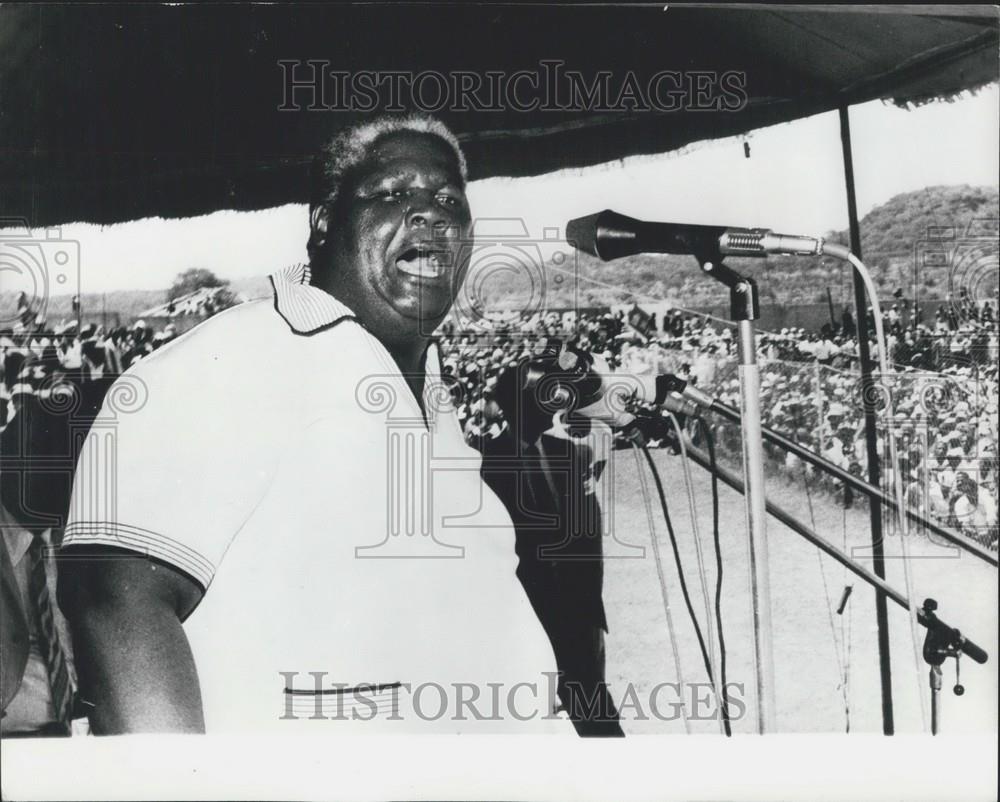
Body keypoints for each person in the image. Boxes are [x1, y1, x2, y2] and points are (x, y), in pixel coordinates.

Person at [57, 115, 569, 734]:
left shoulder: (432, 402)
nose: (429, 213)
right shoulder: (233, 358)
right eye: (390, 193)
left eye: (448, 200)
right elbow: (115, 595)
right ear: (323, 221)